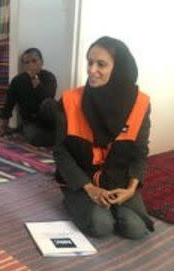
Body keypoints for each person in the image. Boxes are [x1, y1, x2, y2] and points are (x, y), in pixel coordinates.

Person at [54, 36, 154, 240]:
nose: (91, 70)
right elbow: (60, 151)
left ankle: (115, 204)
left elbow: (140, 152)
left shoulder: (140, 104)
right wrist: (89, 188)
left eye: (101, 64)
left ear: (119, 68)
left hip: (118, 180)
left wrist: (130, 189)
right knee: (101, 226)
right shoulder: (70, 100)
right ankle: (73, 200)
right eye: (89, 62)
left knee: (135, 229)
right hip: (81, 181)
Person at [0, 48, 57, 146]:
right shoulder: (17, 81)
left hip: (48, 119)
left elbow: (47, 97)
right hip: (31, 121)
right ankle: (57, 138)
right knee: (34, 138)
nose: (31, 65)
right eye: (26, 63)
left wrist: (34, 78)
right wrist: (4, 127)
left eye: (34, 61)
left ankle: (58, 136)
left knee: (50, 104)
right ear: (23, 66)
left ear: (41, 62)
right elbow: (9, 104)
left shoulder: (49, 77)